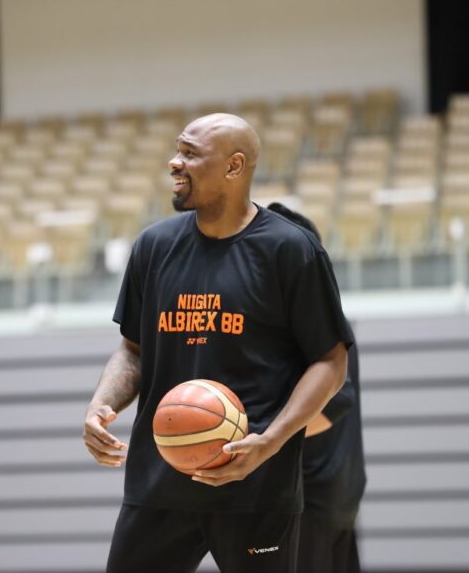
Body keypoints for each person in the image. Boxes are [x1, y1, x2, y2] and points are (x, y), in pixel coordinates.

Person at [83, 113, 353, 573]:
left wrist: (268, 442)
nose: (174, 163)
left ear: (234, 167)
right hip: (158, 486)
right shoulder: (152, 246)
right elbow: (132, 351)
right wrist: (101, 405)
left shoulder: (290, 250)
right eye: (177, 150)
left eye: (190, 153)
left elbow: (330, 363)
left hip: (257, 489)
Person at [266, 202, 366, 573]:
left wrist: (261, 436)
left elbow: (334, 403)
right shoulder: (327, 316)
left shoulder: (308, 324)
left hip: (312, 499)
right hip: (337, 495)